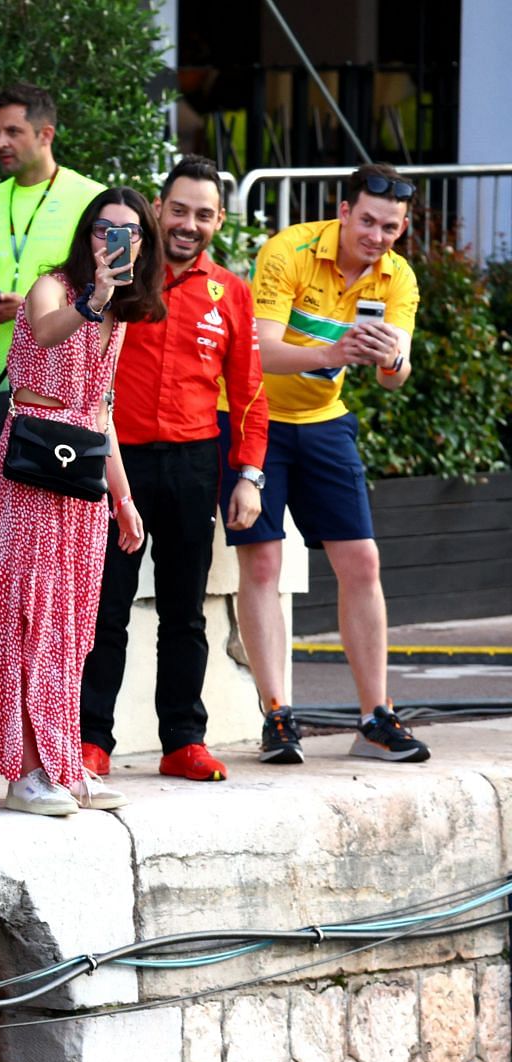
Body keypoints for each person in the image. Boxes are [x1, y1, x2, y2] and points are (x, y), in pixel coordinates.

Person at [0, 187, 163, 817]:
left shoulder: (120, 319)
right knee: (26, 617)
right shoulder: (55, 288)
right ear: (86, 234)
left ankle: (63, 762)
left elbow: (102, 410)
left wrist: (123, 498)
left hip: (80, 477)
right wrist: (92, 298)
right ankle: (24, 771)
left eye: (129, 234)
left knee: (72, 626)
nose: (114, 243)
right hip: (30, 462)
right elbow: (48, 333)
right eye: (104, 229)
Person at [79, 156, 269, 784]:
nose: (189, 224)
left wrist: (249, 474)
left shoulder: (231, 292)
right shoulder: (124, 280)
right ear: (157, 211)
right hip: (117, 466)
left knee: (185, 612)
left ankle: (183, 740)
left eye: (204, 214)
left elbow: (247, 393)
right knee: (104, 609)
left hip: (193, 465)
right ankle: (90, 740)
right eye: (179, 210)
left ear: (219, 221)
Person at [229, 163, 427, 765]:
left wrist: (392, 364)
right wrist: (335, 349)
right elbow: (259, 350)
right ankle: (278, 717)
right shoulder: (288, 249)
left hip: (323, 418)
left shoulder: (398, 277)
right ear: (343, 212)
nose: (377, 235)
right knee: (263, 562)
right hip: (255, 414)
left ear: (403, 225)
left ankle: (374, 718)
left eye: (390, 226)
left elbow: (399, 376)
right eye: (367, 220)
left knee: (362, 559)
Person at [0, 84, 105, 449]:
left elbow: (110, 294)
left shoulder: (92, 199)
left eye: (13, 131)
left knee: (67, 499)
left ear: (45, 134)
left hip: (67, 385)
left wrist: (24, 307)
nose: (0, 142)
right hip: (0, 381)